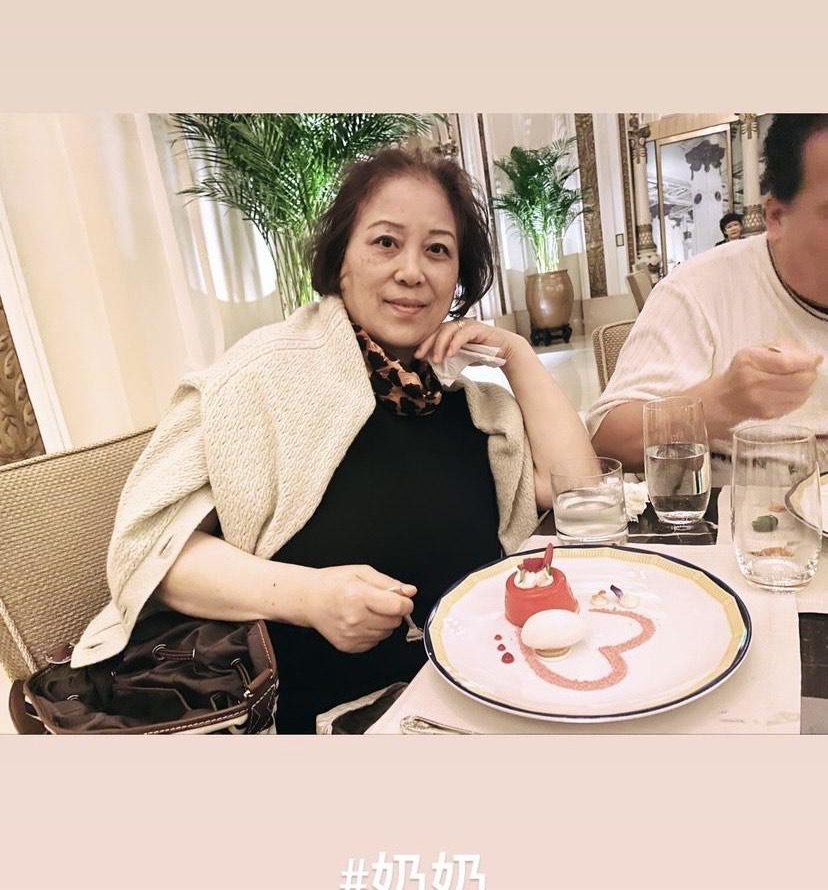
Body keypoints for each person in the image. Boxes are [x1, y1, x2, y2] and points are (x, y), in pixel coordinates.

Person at [72, 146, 596, 732]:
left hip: (480, 694)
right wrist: (309, 596)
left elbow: (580, 493)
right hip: (327, 719)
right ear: (341, 259)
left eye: (438, 250)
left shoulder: (473, 406)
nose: (412, 271)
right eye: (386, 242)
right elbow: (148, 552)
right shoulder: (258, 380)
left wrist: (517, 355)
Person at [588, 114, 827, 483]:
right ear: (777, 217)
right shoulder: (698, 289)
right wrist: (723, 402)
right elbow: (609, 442)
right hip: (748, 514)